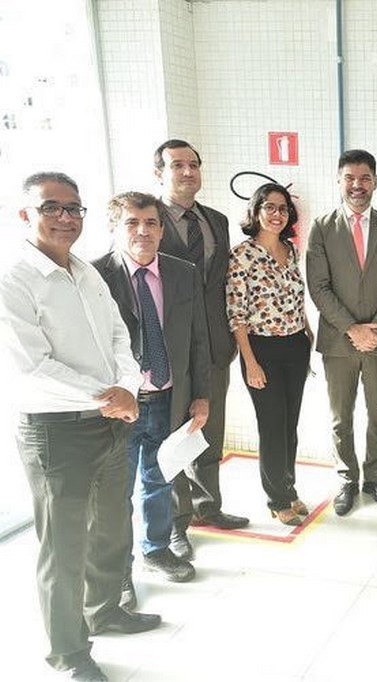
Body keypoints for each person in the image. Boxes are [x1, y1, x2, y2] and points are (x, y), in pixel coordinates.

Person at [0, 173, 160, 682]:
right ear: (26, 214)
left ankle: (104, 611)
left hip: (109, 422)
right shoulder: (12, 279)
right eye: (52, 207)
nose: (65, 217)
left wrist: (126, 388)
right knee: (64, 548)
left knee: (111, 527)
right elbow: (32, 365)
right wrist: (107, 396)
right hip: (55, 432)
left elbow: (118, 336)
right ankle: (69, 652)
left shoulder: (86, 272)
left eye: (73, 208)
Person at [94, 192, 211, 602]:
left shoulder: (183, 272)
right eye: (132, 222)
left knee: (160, 479)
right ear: (114, 228)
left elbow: (198, 338)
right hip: (119, 406)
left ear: (162, 230)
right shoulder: (94, 276)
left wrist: (202, 395)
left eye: (151, 223)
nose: (143, 231)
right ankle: (117, 572)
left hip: (169, 398)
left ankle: (156, 549)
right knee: (116, 492)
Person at [154, 139, 249, 562]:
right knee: (174, 435)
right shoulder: (149, 221)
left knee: (210, 429)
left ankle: (209, 506)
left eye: (193, 164)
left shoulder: (217, 220)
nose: (188, 172)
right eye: (177, 165)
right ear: (160, 173)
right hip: (170, 349)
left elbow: (220, 285)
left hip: (213, 344)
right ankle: (177, 522)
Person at [307, 149, 377, 515]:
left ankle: (374, 478)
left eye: (365, 178)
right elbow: (318, 287)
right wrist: (352, 329)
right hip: (338, 341)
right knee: (341, 417)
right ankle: (347, 479)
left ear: (375, 182)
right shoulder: (322, 227)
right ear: (339, 181)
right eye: (350, 178)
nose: (357, 185)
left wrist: (375, 330)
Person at [226, 183, 312, 526]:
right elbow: (236, 313)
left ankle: (289, 489)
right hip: (261, 349)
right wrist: (250, 362)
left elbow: (296, 297)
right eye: (270, 207)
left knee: (290, 425)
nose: (277, 214)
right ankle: (276, 499)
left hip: (296, 345)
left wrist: (307, 329)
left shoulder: (291, 250)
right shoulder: (242, 255)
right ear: (256, 211)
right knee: (272, 426)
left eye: (283, 208)